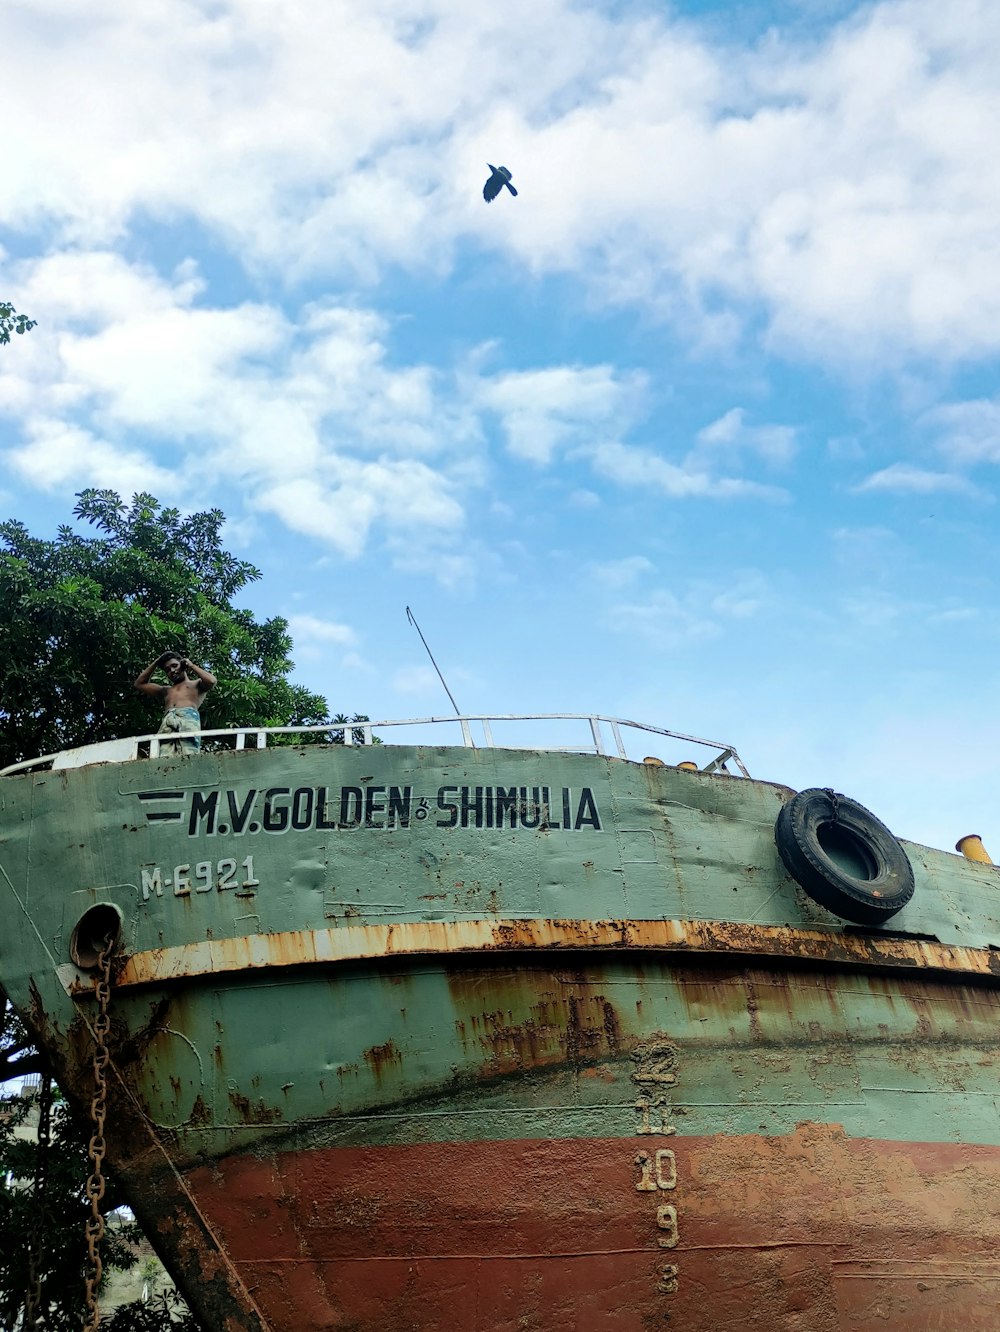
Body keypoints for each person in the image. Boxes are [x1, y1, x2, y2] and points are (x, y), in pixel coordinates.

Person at [134, 651, 217, 753]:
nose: (172, 671)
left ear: (182, 665)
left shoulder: (196, 684)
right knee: (164, 755)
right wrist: (156, 662)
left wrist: (191, 665)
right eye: (167, 670)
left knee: (188, 753)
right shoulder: (166, 691)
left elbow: (211, 681)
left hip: (188, 719)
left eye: (174, 666)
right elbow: (139, 684)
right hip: (168, 721)